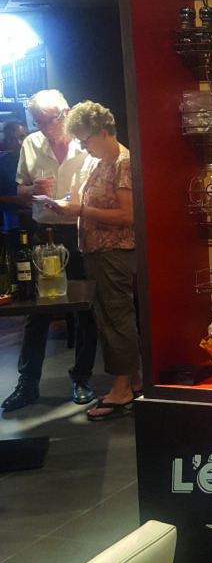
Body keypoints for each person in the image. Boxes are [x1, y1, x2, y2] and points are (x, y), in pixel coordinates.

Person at [2, 90, 99, 412]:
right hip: (43, 233)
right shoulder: (32, 143)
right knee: (36, 309)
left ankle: (82, 377)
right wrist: (32, 190)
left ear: (66, 113)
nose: (44, 128)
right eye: (38, 122)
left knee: (85, 309)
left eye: (49, 120)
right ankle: (27, 383)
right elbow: (20, 190)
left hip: (81, 230)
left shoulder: (85, 141)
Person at [50, 100, 141, 421]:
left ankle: (121, 390)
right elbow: (88, 200)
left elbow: (128, 216)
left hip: (114, 251)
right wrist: (65, 204)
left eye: (85, 140)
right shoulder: (99, 160)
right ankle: (132, 381)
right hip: (97, 250)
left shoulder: (123, 162)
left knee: (116, 318)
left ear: (104, 132)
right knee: (109, 318)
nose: (83, 147)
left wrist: (79, 210)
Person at [0, 120, 29, 259]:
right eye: (12, 139)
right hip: (14, 224)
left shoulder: (38, 158)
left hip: (41, 220)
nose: (18, 142)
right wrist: (19, 200)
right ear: (5, 142)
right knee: (20, 264)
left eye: (21, 137)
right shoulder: (2, 163)